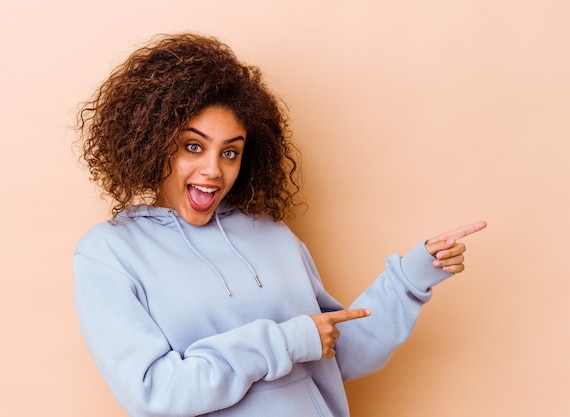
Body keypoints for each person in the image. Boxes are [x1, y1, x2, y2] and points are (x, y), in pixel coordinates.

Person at [73, 33, 487, 417]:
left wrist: (412, 277)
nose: (213, 170)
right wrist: (288, 340)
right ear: (152, 142)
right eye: (193, 147)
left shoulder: (271, 234)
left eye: (230, 153)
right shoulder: (109, 254)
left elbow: (337, 351)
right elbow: (156, 393)